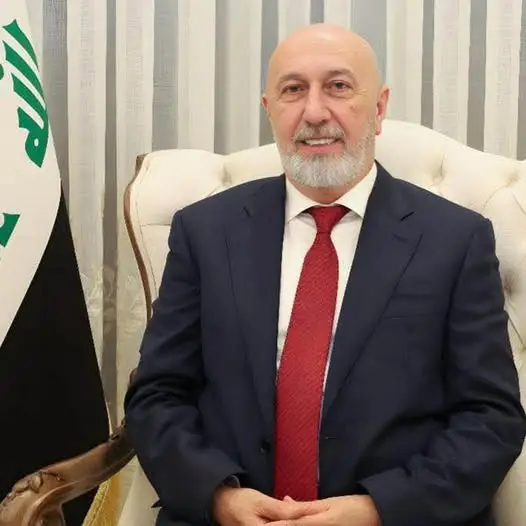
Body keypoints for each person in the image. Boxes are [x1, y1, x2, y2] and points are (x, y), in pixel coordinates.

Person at [124, 23, 526, 526]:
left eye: (338, 86)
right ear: (270, 110)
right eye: (293, 90)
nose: (314, 112)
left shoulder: (455, 239)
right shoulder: (205, 232)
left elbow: (490, 417)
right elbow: (157, 394)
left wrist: (378, 509)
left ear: (378, 108)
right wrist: (219, 497)